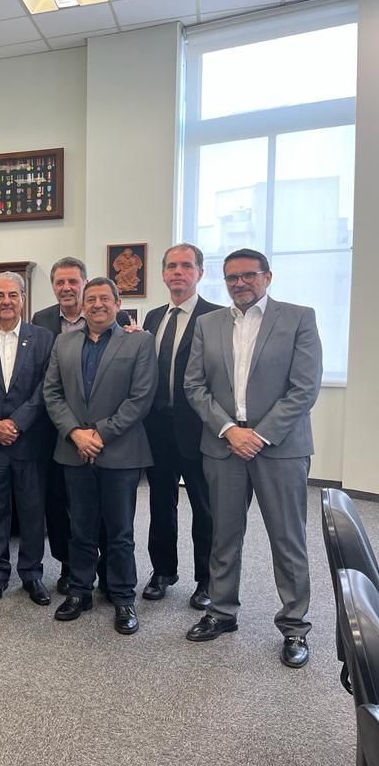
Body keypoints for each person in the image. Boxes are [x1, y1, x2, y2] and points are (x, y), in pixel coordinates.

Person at [184, 248, 322, 669]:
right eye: (232, 277)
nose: (240, 283)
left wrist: (258, 436)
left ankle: (295, 626)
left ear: (267, 276)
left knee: (287, 538)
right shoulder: (208, 324)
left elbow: (304, 388)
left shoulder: (298, 318)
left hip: (279, 447)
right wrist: (230, 429)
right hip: (223, 444)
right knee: (224, 535)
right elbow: (194, 386)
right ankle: (222, 612)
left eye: (248, 275)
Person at [43, 277, 156, 635]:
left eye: (104, 298)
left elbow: (140, 398)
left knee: (120, 532)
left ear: (117, 303)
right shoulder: (63, 342)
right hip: (74, 449)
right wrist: (76, 433)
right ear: (82, 305)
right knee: (80, 528)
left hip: (120, 452)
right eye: (90, 299)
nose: (97, 305)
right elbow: (52, 393)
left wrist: (100, 433)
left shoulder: (139, 342)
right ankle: (80, 591)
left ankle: (123, 597)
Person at [31, 258, 128, 594]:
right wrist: (72, 431)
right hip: (59, 431)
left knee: (104, 512)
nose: (66, 288)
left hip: (105, 436)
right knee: (60, 505)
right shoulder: (41, 320)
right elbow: (46, 381)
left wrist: (96, 432)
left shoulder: (115, 319)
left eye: (73, 281)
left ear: (84, 284)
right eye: (60, 282)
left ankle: (107, 572)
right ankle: (70, 567)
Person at [140, 244, 222, 607]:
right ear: (162, 274)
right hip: (157, 427)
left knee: (204, 507)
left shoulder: (215, 317)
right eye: (171, 266)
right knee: (160, 502)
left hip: (199, 428)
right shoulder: (153, 317)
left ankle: (206, 579)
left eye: (186, 266)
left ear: (200, 273)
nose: (178, 272)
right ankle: (162, 571)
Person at [0, 272, 55, 605]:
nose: (6, 301)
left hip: (29, 440)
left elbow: (46, 388)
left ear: (23, 298)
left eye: (12, 295)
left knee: (33, 511)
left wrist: (16, 423)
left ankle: (32, 573)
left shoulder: (43, 338)